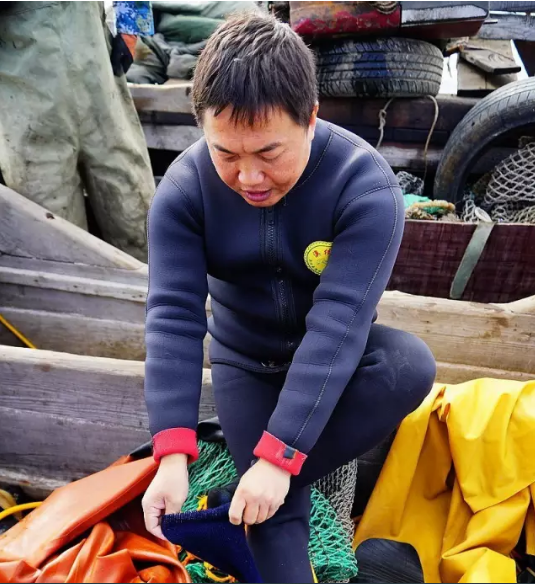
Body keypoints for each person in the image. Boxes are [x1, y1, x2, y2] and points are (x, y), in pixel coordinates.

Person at [142, 11, 437, 583]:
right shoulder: (183, 190)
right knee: (272, 515)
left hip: (337, 359)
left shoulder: (366, 186)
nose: (249, 176)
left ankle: (241, 484)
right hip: (244, 364)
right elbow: (173, 319)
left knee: (410, 364)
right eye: (226, 154)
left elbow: (338, 327)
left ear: (311, 118)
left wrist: (278, 461)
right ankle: (247, 491)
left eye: (269, 153)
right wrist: (172, 453)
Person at [0, 1, 154, 261]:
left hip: (98, 79)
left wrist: (130, 27)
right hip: (26, 102)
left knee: (133, 204)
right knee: (56, 235)